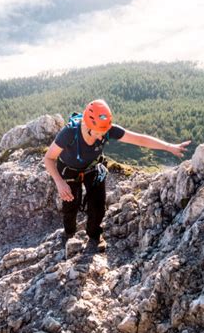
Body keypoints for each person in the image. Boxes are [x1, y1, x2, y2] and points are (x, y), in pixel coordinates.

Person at [43, 99, 191, 252]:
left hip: (93, 167)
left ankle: (94, 236)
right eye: (99, 134)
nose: (102, 138)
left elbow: (139, 139)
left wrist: (168, 147)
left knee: (98, 204)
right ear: (88, 125)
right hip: (68, 169)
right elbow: (48, 158)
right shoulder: (69, 133)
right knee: (70, 203)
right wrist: (59, 182)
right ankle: (69, 233)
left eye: (104, 133)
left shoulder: (107, 129)